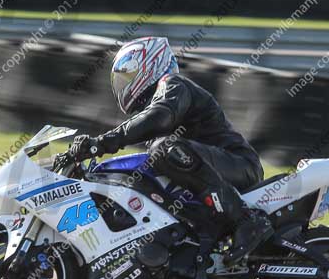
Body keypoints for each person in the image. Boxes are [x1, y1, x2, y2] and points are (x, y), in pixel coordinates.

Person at [67, 37, 272, 263]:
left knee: (164, 149)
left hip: (239, 164)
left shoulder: (173, 84)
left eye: (128, 75)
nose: (123, 83)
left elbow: (161, 115)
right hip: (213, 168)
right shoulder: (155, 105)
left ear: (150, 65)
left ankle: (246, 220)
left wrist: (102, 142)